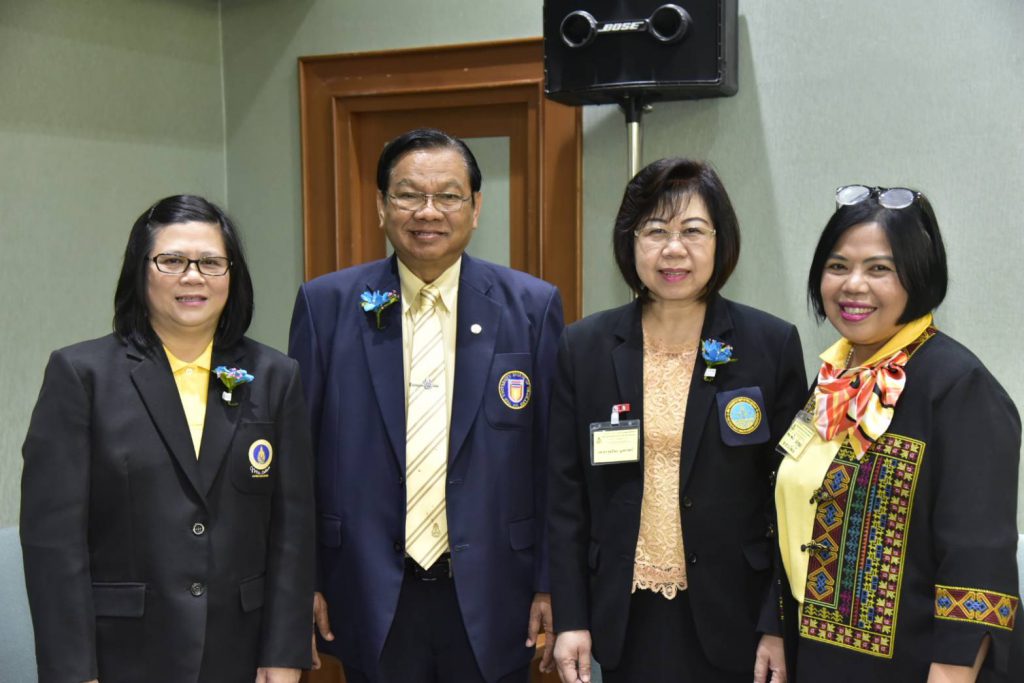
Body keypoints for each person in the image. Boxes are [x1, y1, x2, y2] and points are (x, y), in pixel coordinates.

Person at [288, 128, 563, 683]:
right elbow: (299, 461)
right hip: (367, 590)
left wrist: (550, 581)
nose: (428, 212)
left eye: (448, 196)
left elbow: (554, 460)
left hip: (494, 589)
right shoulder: (327, 305)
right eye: (409, 195)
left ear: (476, 207)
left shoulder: (532, 306)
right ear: (381, 206)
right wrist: (306, 579)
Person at [20, 195, 316, 683]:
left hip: (240, 653)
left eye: (211, 262)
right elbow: (54, 544)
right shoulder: (81, 375)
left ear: (232, 275)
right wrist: (74, 671)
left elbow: (292, 530)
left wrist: (283, 654)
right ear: (141, 272)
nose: (193, 276)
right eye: (172, 261)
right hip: (122, 654)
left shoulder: (274, 376)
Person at [547, 158, 807, 683]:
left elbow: (791, 497)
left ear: (720, 240)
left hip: (735, 613)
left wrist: (778, 622)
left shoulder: (768, 345)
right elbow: (565, 495)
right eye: (655, 231)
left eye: (692, 230)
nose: (673, 249)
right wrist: (571, 618)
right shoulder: (585, 347)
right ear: (630, 242)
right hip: (625, 611)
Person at [774, 185, 1023, 681]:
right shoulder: (831, 378)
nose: (853, 285)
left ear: (918, 276)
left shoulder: (959, 387)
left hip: (917, 667)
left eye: (879, 269)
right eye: (838, 266)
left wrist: (952, 674)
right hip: (817, 657)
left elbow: (977, 561)